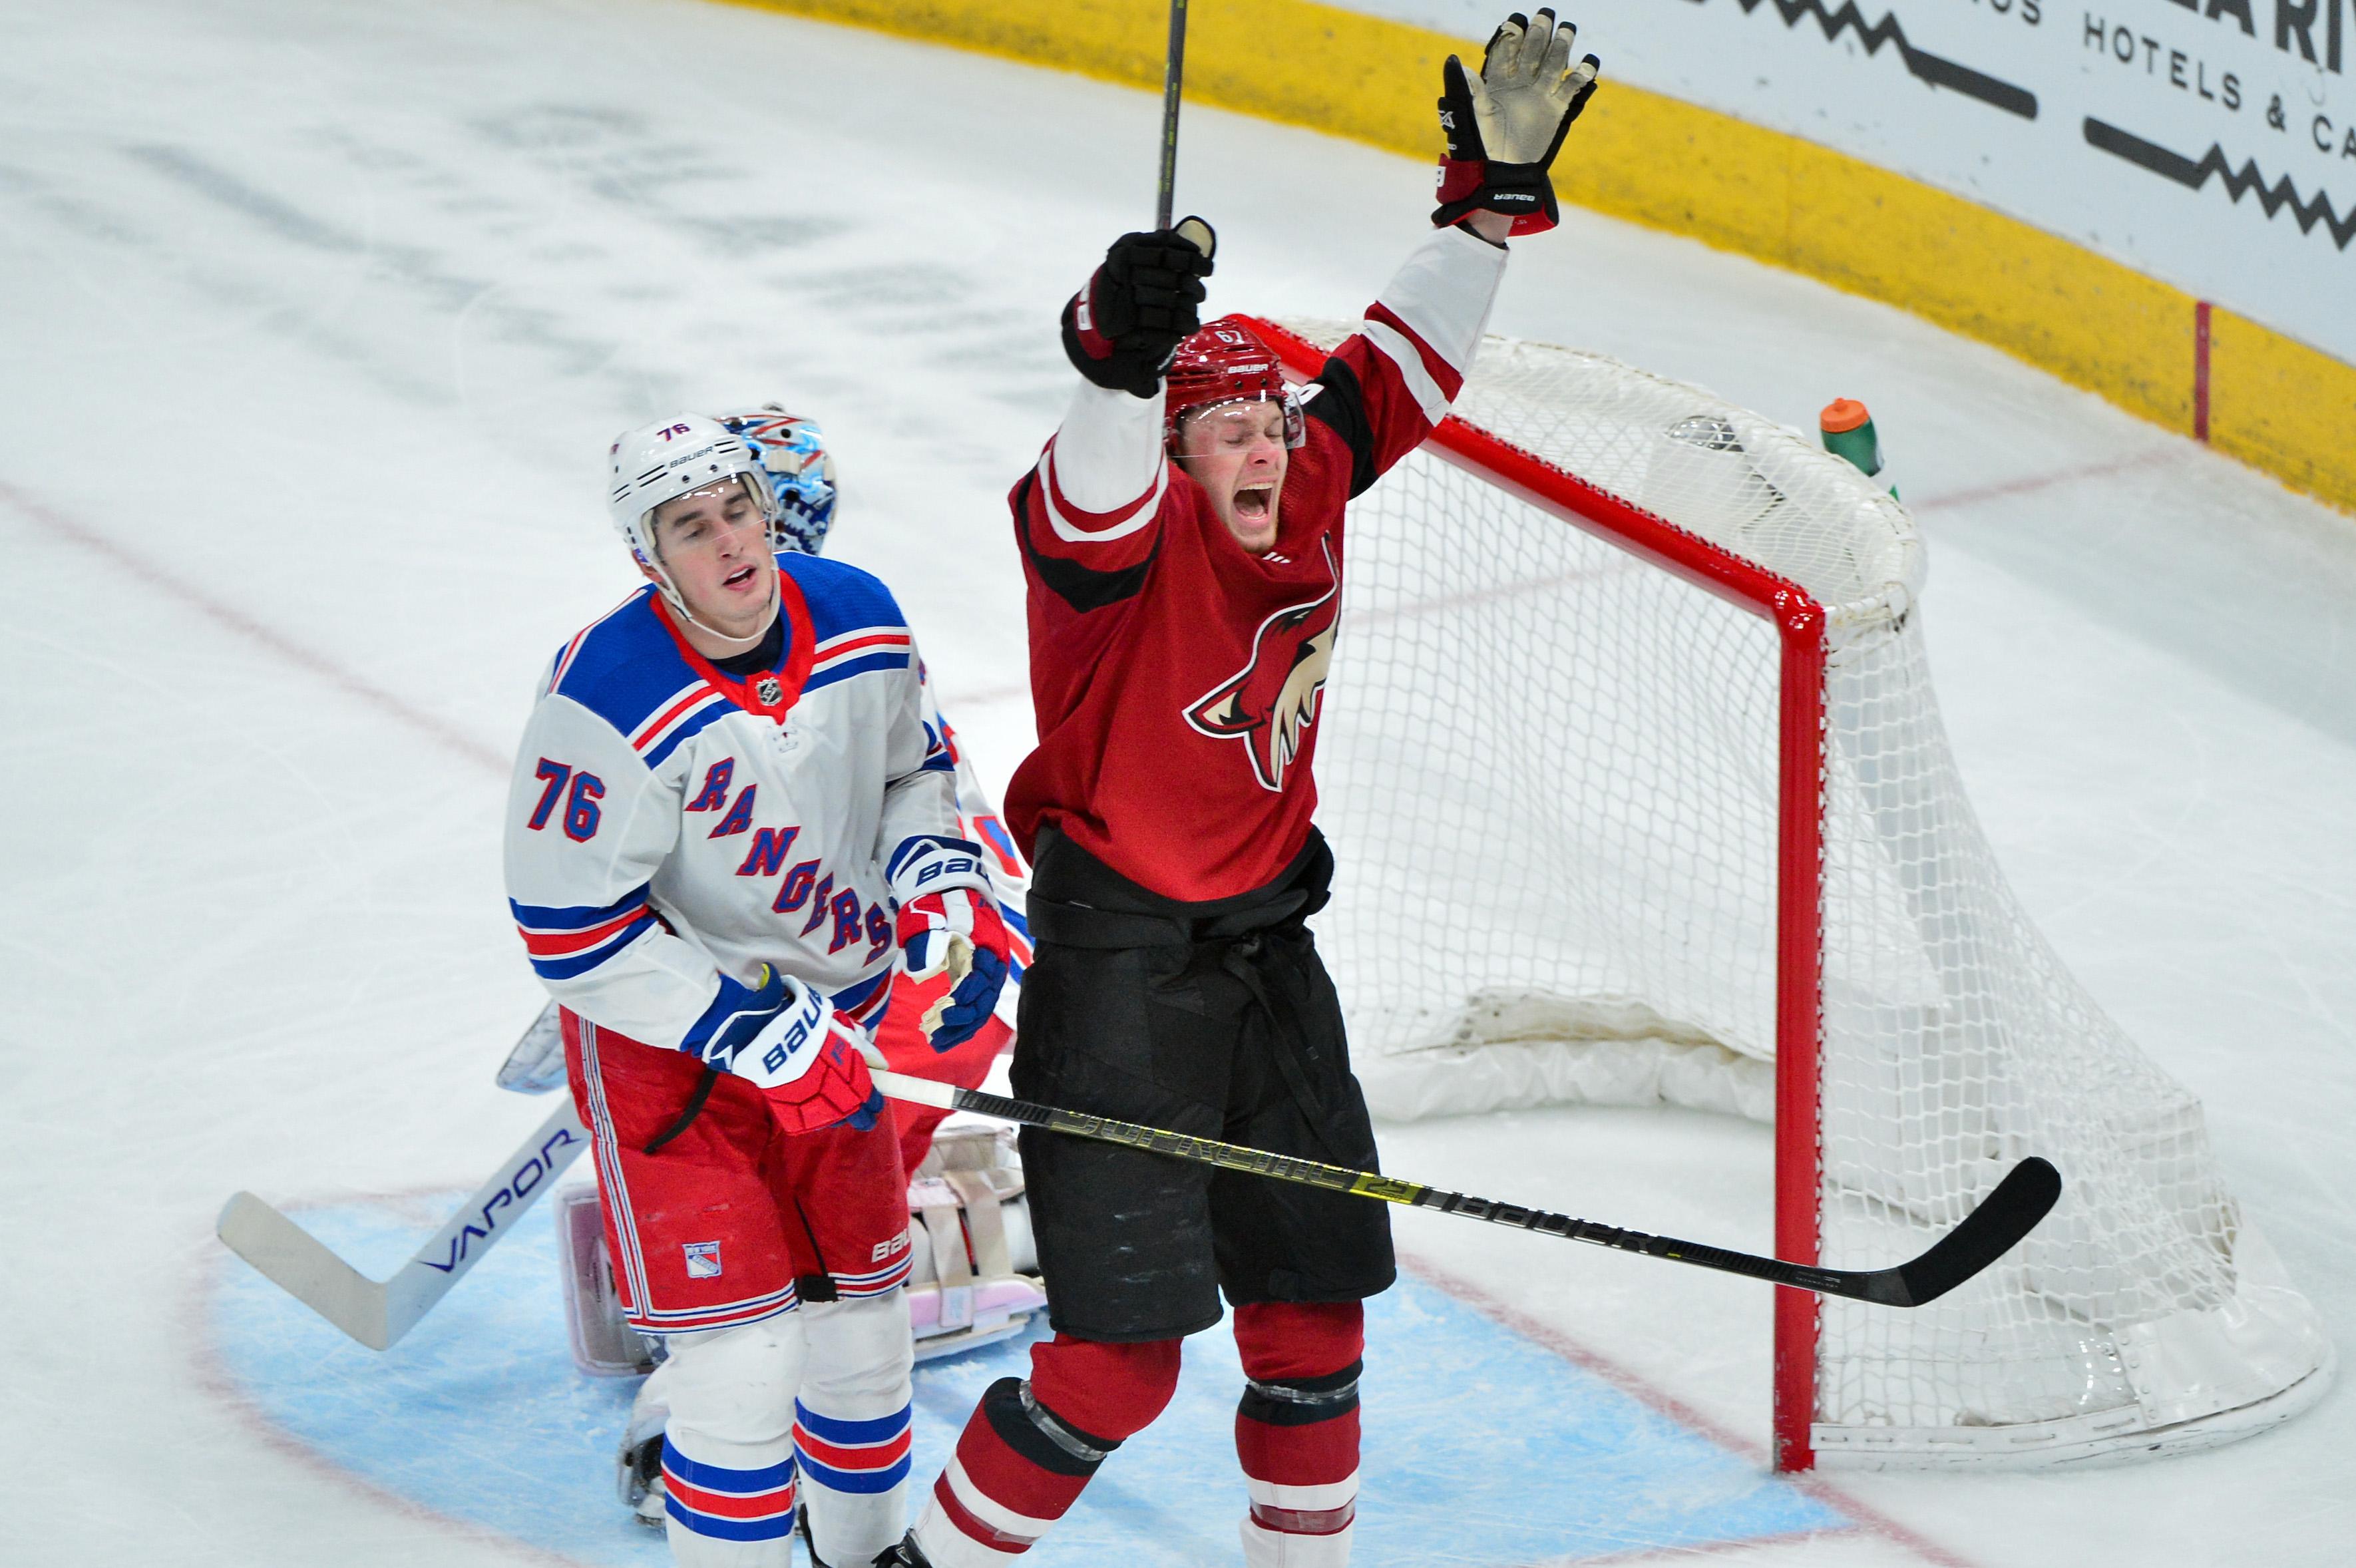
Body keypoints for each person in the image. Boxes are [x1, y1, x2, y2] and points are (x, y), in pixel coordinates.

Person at [886, 13, 1601, 1568]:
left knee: (1313, 1326)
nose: (1265, 443)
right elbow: (1087, 479)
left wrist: (1481, 211)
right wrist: (1113, 359)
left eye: (1270, 420)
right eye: (1224, 428)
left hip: (1271, 956)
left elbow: (1395, 368)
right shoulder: (1117, 544)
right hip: (1121, 973)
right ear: (1174, 453)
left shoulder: (1313, 475)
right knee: (1114, 1369)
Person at [504, 411, 1014, 1568]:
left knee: (866, 1351)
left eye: (739, 510)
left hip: (841, 1032)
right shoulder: (604, 695)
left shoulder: (859, 613)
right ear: (650, 558)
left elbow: (914, 770)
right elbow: (567, 925)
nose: (730, 543)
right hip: (675, 1071)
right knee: (739, 1381)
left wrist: (930, 868)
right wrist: (743, 1026)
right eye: (692, 526)